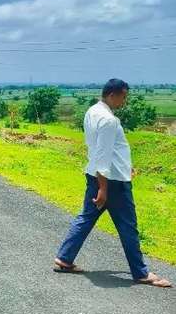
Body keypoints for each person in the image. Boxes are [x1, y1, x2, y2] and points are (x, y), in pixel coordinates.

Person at [54, 78, 172, 287]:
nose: (124, 101)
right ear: (112, 95)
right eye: (123, 96)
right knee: (128, 226)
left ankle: (64, 258)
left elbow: (105, 149)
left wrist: (124, 167)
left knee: (86, 218)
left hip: (98, 176)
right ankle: (141, 272)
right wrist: (103, 188)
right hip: (112, 183)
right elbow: (103, 154)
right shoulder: (109, 120)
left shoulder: (92, 111)